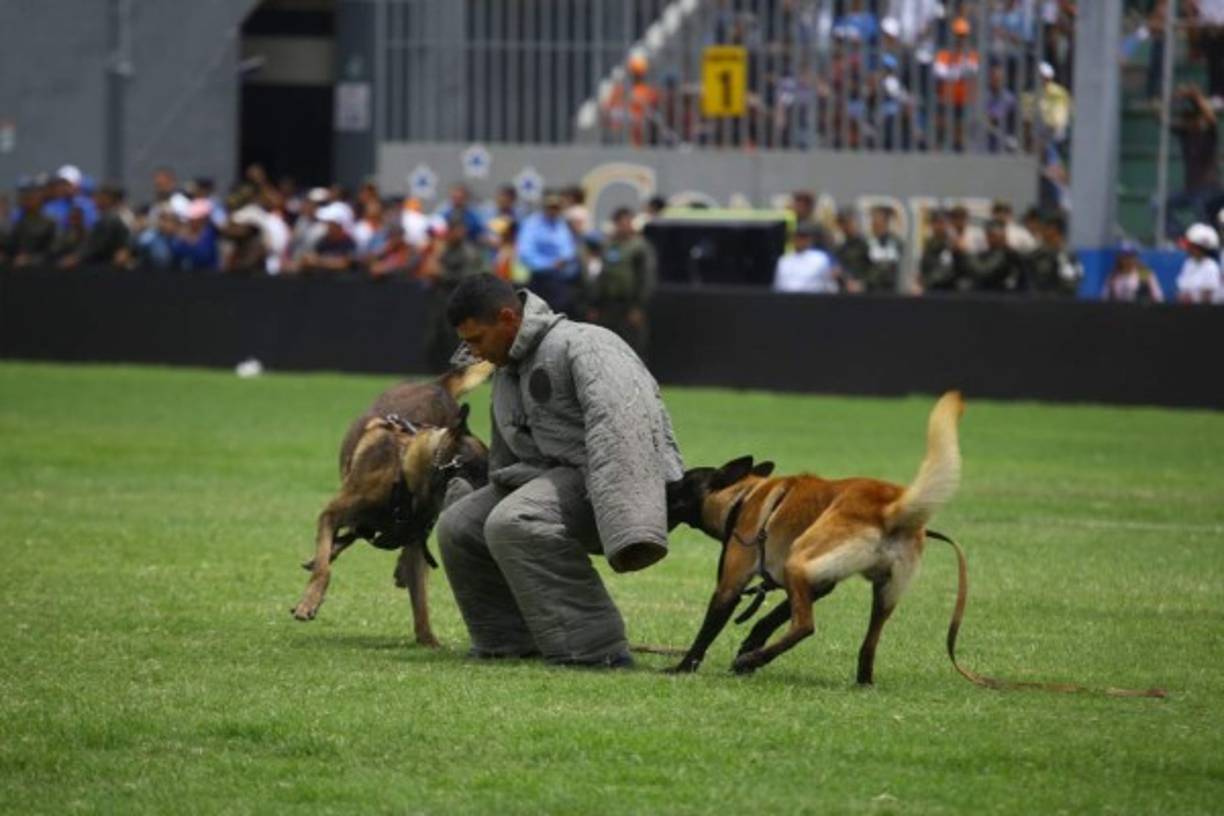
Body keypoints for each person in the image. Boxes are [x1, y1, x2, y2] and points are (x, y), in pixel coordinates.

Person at [436, 274, 683, 666]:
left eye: (477, 339)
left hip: (613, 485)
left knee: (514, 520)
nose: (474, 353)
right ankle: (507, 641)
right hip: (548, 481)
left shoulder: (587, 345)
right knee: (458, 526)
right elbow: (508, 451)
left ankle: (594, 651)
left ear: (507, 318)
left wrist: (630, 525)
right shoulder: (508, 367)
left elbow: (624, 426)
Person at [587, 207, 657, 355]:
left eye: (627, 222)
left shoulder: (640, 247)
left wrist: (638, 307)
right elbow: (600, 275)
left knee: (633, 346)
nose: (624, 226)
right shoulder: (608, 245)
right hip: (608, 305)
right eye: (620, 223)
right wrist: (594, 304)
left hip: (629, 305)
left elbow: (646, 278)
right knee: (607, 346)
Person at [423, 213, 486, 371]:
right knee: (436, 338)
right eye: (451, 229)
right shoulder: (444, 249)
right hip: (442, 300)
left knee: (457, 340)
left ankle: (461, 373)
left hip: (462, 303)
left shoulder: (468, 252)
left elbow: (468, 278)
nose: (454, 233)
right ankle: (438, 372)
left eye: (457, 229)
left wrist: (441, 274)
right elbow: (431, 269)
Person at [517, 191, 580, 313]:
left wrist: (563, 259)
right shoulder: (532, 223)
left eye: (556, 207)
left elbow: (568, 249)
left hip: (559, 278)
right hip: (537, 277)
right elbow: (525, 252)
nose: (554, 210)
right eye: (551, 207)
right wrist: (550, 264)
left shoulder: (561, 224)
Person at [58, 183, 130, 269]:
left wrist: (77, 257)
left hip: (107, 267)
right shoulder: (105, 217)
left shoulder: (110, 219)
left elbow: (97, 245)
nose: (95, 200)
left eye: (99, 197)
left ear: (108, 199)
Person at [773, 222, 840, 294]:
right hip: (787, 301)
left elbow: (829, 285)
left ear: (810, 239)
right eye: (797, 237)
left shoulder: (820, 258)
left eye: (804, 237)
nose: (800, 241)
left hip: (813, 301)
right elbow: (778, 286)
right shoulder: (784, 260)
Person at [1026, 211, 1082, 296]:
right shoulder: (1037, 255)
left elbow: (1070, 284)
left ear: (1054, 230)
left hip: (1059, 304)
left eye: (1045, 228)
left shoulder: (1068, 255)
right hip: (1036, 303)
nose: (1041, 231)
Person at [966, 219, 1027, 292]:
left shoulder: (1005, 254)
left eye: (992, 235)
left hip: (1002, 296)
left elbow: (982, 272)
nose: (988, 238)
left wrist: (964, 252)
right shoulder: (987, 253)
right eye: (988, 235)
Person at [917, 208, 967, 293]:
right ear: (932, 225)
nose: (940, 226)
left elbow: (959, 270)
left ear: (948, 224)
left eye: (943, 223)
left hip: (951, 290)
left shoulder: (954, 243)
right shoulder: (928, 244)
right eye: (936, 222)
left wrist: (959, 251)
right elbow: (924, 269)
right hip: (931, 289)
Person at [1175, 222, 1222, 303]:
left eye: (1192, 246)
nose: (1189, 249)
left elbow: (1207, 298)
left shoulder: (1211, 267)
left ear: (1201, 248)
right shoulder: (1188, 264)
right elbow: (1181, 291)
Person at [863, 205, 904, 292]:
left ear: (885, 222)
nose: (875, 222)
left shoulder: (895, 242)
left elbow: (894, 259)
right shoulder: (866, 243)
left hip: (890, 287)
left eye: (878, 219)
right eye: (873, 219)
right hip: (870, 288)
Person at [834, 207, 869, 291]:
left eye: (848, 222)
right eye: (842, 223)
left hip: (865, 291)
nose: (846, 226)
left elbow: (874, 268)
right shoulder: (839, 247)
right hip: (844, 290)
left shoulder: (866, 244)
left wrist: (863, 283)